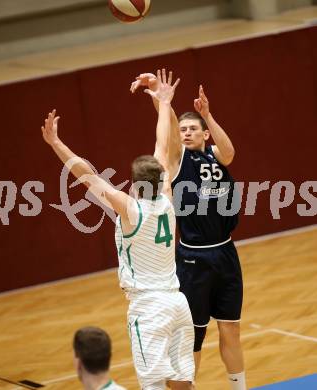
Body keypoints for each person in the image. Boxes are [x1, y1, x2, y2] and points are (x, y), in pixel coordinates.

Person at [41, 69, 195, 390]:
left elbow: (86, 173)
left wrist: (56, 142)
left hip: (149, 308)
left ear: (136, 183)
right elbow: (162, 147)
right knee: (183, 385)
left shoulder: (129, 209)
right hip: (178, 302)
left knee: (152, 386)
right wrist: (164, 102)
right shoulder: (167, 197)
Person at [131, 72, 246, 390]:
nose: (186, 133)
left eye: (193, 128)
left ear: (205, 133)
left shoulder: (215, 155)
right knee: (194, 334)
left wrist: (207, 114)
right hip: (194, 258)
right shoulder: (178, 160)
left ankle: (239, 387)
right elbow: (165, 134)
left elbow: (230, 152)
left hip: (226, 251)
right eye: (182, 129)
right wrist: (159, 96)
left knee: (231, 329)